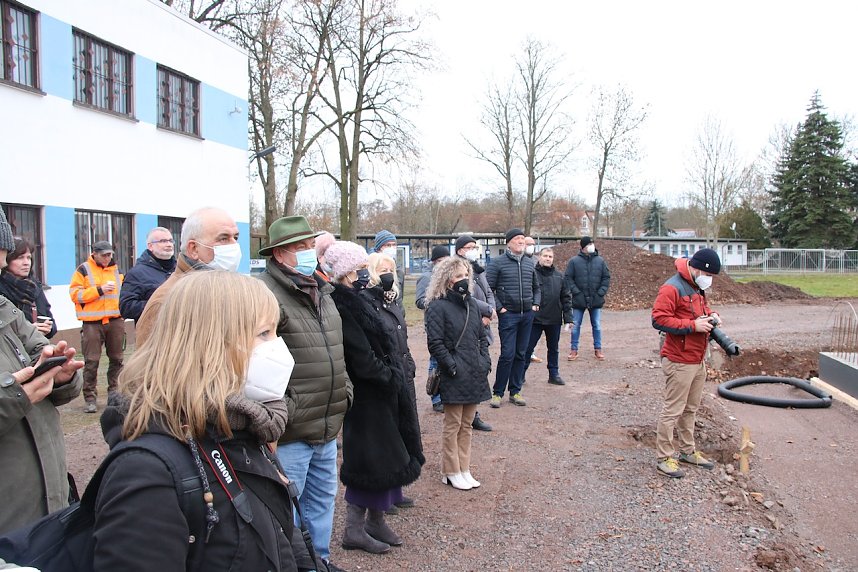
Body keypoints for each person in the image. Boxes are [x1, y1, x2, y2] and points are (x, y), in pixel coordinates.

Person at [92, 272, 306, 570]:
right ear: (210, 345)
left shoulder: (238, 426)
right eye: (264, 333)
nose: (278, 347)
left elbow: (274, 541)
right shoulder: (146, 471)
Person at [257, 216, 351, 572]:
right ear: (279, 253)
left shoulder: (321, 290)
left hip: (327, 422)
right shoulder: (265, 294)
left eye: (311, 245)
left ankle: (318, 563)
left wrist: (345, 391)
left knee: (322, 503)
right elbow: (257, 363)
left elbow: (335, 349)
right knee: (287, 509)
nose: (309, 252)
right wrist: (287, 409)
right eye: (300, 247)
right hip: (292, 430)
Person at [324, 242, 424, 554]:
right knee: (368, 461)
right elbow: (361, 358)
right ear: (344, 274)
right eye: (359, 270)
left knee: (386, 459)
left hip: (380, 392)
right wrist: (389, 376)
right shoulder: (343, 305)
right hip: (367, 396)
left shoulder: (359, 299)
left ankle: (375, 521)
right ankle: (354, 529)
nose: (364, 275)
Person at [0, 207, 84, 535]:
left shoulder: (4, 308)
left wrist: (61, 375)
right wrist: (15, 396)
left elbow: (40, 351)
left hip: (45, 509)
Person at [651, 248, 722, 478]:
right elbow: (659, 319)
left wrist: (712, 315)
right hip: (679, 360)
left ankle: (687, 451)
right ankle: (664, 458)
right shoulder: (672, 287)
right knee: (673, 410)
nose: (709, 280)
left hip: (697, 358)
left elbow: (700, 310)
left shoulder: (696, 286)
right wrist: (693, 326)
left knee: (690, 409)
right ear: (696, 268)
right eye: (707, 275)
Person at [424, 256, 491, 491]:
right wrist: (452, 366)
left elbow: (482, 337)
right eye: (458, 275)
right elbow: (435, 343)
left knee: (467, 424)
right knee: (453, 424)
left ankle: (464, 468)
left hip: (474, 372)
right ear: (447, 279)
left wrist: (484, 361)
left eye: (466, 275)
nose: (463, 279)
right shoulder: (437, 306)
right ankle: (451, 470)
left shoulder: (471, 303)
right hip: (453, 373)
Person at [136, 207, 240, 345]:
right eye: (223, 238)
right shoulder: (165, 303)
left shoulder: (225, 289)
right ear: (194, 248)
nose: (234, 245)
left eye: (236, 237)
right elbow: (154, 358)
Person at [485, 228, 540, 408]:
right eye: (517, 238)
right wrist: (500, 308)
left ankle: (515, 391)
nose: (521, 241)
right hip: (508, 316)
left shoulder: (530, 263)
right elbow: (489, 289)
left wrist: (535, 303)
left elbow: (536, 287)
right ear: (508, 242)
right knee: (507, 354)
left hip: (527, 315)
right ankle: (498, 393)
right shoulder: (497, 263)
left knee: (521, 354)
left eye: (522, 238)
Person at [69, 240, 124, 413]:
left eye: (110, 255)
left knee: (117, 359)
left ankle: (114, 394)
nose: (108, 258)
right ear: (94, 254)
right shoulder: (83, 270)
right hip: (92, 323)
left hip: (115, 321)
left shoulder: (117, 270)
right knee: (91, 362)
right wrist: (99, 290)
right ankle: (90, 398)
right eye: (104, 255)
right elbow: (75, 295)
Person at [453, 235, 494, 432]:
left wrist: (490, 311)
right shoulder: (456, 269)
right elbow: (466, 297)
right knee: (467, 370)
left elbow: (489, 292)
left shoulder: (478, 269)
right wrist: (486, 310)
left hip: (483, 323)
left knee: (479, 369)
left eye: (475, 247)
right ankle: (468, 414)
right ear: (460, 250)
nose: (474, 250)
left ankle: (472, 412)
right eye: (470, 247)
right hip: (468, 323)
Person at [523, 247, 573, 386]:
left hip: (554, 318)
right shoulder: (531, 274)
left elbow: (566, 298)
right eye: (545, 256)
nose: (547, 259)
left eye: (550, 256)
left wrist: (568, 318)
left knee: (553, 349)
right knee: (527, 348)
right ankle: (520, 375)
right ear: (539, 257)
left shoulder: (559, 276)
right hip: (535, 319)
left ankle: (554, 374)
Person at [564, 236, 611, 361]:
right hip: (579, 299)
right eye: (589, 244)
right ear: (583, 247)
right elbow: (568, 278)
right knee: (575, 325)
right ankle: (573, 350)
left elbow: (606, 277)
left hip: (595, 299)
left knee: (597, 325)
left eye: (592, 243)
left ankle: (598, 349)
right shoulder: (574, 261)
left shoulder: (600, 261)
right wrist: (576, 293)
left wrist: (600, 293)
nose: (591, 246)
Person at [415, 245, 449, 413]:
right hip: (434, 324)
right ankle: (436, 398)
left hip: (451, 324)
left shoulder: (450, 277)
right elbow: (420, 301)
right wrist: (438, 301)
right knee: (436, 360)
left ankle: (448, 395)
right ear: (435, 261)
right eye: (442, 261)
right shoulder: (426, 277)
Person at [0, 237, 56, 338]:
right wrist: (28, 331)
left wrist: (47, 328)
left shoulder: (34, 287)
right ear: (7, 260)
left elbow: (51, 322)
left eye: (29, 257)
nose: (26, 263)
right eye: (20, 258)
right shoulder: (2, 289)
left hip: (36, 346)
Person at [119, 227, 177, 322]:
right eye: (163, 241)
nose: (169, 245)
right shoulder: (137, 273)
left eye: (171, 241)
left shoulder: (180, 269)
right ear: (150, 246)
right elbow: (126, 308)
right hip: (153, 328)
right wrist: (160, 305)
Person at [370, 230, 404, 304]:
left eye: (394, 245)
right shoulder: (371, 268)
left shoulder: (399, 271)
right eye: (388, 245)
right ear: (379, 248)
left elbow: (400, 297)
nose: (391, 248)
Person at [524, 236, 542, 364]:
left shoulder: (536, 260)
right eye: (529, 244)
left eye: (533, 244)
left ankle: (531, 352)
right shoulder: (520, 260)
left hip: (535, 297)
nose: (531, 247)